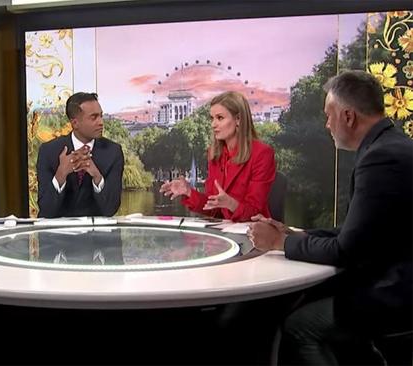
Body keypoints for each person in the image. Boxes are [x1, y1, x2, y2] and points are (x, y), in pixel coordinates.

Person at [248, 70, 412, 365]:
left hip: (397, 293)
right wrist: (297, 235)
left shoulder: (380, 159)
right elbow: (357, 232)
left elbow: (346, 250)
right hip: (395, 278)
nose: (326, 124)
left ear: (348, 116)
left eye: (328, 115)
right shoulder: (392, 145)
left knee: (300, 327)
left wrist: (279, 243)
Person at [160, 91, 276, 222]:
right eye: (212, 118)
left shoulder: (262, 154)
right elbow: (212, 208)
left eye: (220, 118)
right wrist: (188, 192)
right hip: (225, 232)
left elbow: (255, 213)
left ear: (238, 119)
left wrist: (230, 204)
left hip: (254, 233)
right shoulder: (213, 153)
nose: (213, 124)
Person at [36, 92, 124, 218]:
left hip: (98, 235)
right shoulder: (49, 151)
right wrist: (61, 174)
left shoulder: (113, 152)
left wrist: (97, 176)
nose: (101, 122)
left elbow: (111, 209)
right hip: (58, 235)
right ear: (75, 123)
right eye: (94, 117)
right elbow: (46, 209)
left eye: (101, 116)